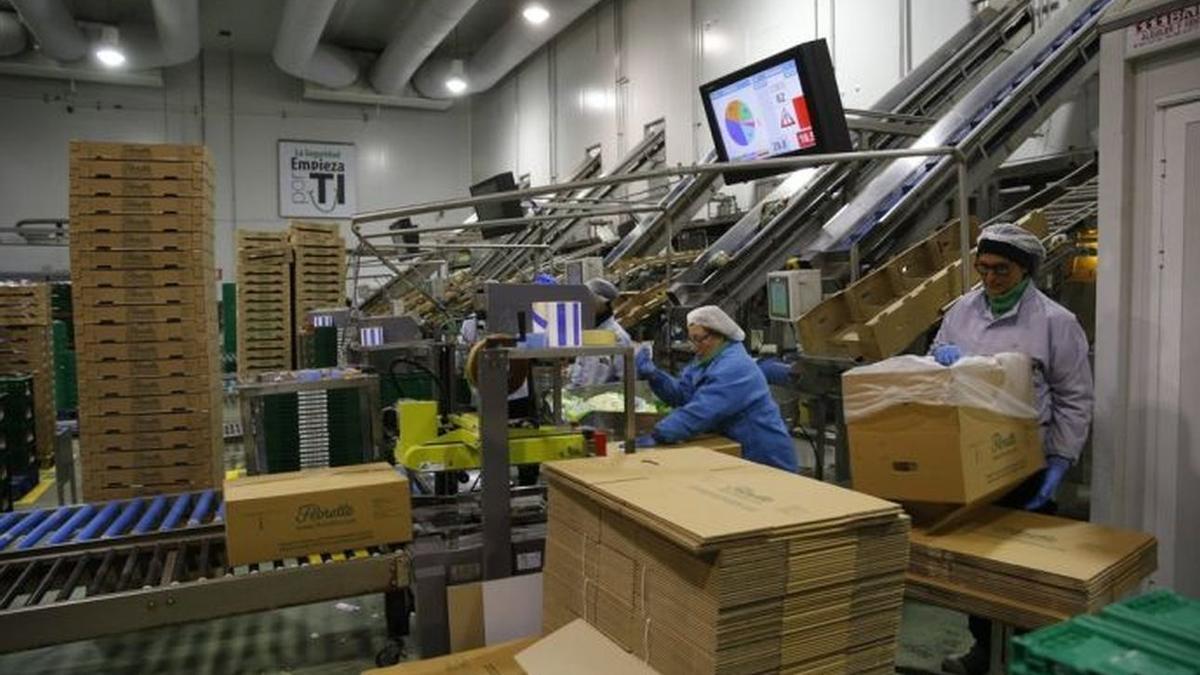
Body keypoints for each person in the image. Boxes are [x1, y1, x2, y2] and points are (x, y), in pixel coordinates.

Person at [932, 223, 1093, 675]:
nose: (990, 279)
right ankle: (982, 649)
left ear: (1025, 269)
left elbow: (1074, 395)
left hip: (1028, 460)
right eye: (982, 268)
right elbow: (937, 353)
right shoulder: (963, 310)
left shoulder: (1056, 322)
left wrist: (1061, 459)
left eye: (1001, 269)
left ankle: (1031, 658)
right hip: (972, 458)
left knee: (1023, 573)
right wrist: (939, 355)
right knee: (978, 565)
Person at [634, 305, 798, 472]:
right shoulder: (703, 362)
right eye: (692, 340)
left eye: (699, 339)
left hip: (764, 454)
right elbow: (682, 396)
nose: (694, 346)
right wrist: (655, 376)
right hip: (737, 451)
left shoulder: (735, 367)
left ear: (720, 336)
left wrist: (660, 433)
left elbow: (701, 411)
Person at [567, 278, 633, 387]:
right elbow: (579, 373)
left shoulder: (618, 337)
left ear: (605, 303)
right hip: (583, 399)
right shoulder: (588, 334)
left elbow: (624, 382)